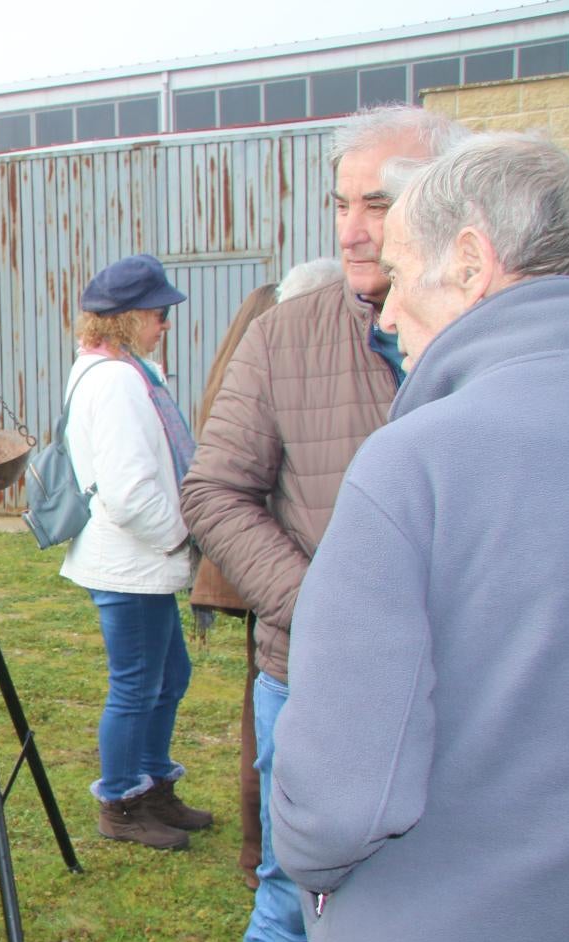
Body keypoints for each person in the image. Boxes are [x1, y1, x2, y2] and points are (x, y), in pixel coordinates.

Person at [272, 130, 569, 942]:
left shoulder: (415, 462)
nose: (383, 310)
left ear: (471, 262)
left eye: (404, 273)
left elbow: (345, 788)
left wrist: (311, 866)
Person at [177, 103, 463, 942]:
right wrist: (329, 608)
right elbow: (214, 489)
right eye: (343, 201)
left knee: (449, 901)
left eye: (379, 202)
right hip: (313, 677)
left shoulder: (481, 338)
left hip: (467, 686)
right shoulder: (284, 336)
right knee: (290, 903)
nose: (354, 227)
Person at [186, 259, 343, 890]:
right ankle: (262, 851)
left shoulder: (264, 343)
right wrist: (299, 593)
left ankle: (264, 850)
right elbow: (218, 484)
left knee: (262, 702)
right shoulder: (276, 354)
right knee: (267, 701)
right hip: (276, 573)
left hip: (272, 574)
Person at [59, 253, 211, 852]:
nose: (165, 323)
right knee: (138, 685)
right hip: (134, 561)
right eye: (156, 313)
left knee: (168, 676)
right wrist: (181, 536)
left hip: (139, 560)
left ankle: (150, 789)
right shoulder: (118, 380)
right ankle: (120, 802)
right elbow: (127, 493)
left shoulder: (121, 370)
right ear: (124, 320)